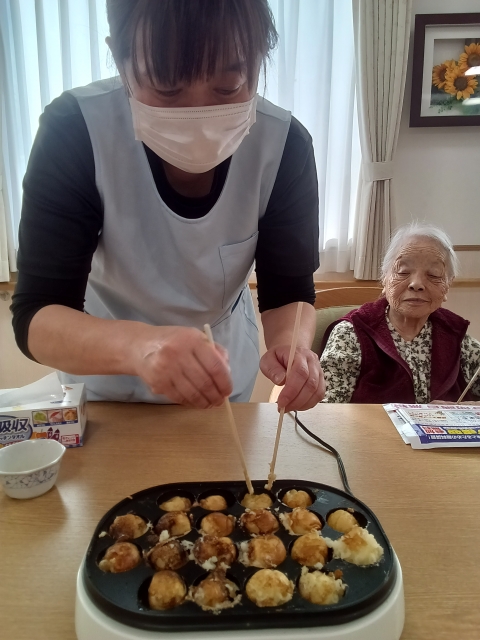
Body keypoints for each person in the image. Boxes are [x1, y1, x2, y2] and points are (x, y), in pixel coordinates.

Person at [11, 0, 325, 410]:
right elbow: (36, 314)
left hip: (224, 387)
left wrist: (292, 348)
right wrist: (140, 347)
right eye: (167, 89)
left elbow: (289, 293)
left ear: (259, 56)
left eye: (228, 87)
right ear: (121, 59)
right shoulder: (77, 130)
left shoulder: (284, 147)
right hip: (105, 387)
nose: (200, 115)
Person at [320, 223, 480, 403]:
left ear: (448, 285)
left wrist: (464, 410)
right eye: (403, 272)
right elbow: (328, 410)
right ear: (384, 278)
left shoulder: (456, 336)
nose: (416, 284)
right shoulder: (350, 335)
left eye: (434, 275)